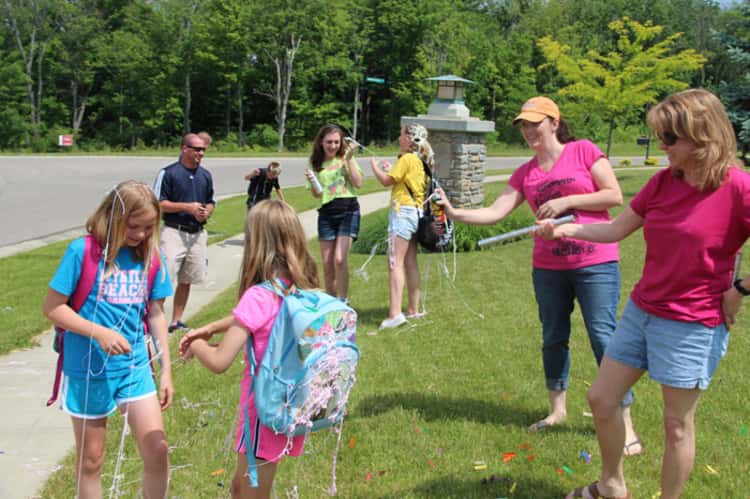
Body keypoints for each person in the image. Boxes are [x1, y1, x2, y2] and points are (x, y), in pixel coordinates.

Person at [535, 88, 750, 499]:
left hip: (692, 323)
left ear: (701, 135)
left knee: (676, 425)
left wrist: (739, 290)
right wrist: (567, 227)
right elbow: (616, 229)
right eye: (659, 138)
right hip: (642, 310)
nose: (662, 146)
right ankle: (612, 485)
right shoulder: (664, 182)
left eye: (669, 138)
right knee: (601, 399)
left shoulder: (737, 188)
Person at [435, 96, 640, 445]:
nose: (529, 130)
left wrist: (568, 201)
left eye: (536, 123)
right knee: (553, 337)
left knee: (603, 336)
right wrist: (454, 213)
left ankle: (626, 425)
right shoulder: (525, 173)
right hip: (549, 267)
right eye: (524, 125)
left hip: (595, 260)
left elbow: (613, 195)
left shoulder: (584, 151)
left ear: (554, 123)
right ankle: (557, 411)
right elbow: (496, 211)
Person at [179, 200, 319, 499]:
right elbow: (260, 317)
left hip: (263, 411)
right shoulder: (299, 289)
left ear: (257, 244)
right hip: (287, 402)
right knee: (240, 487)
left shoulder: (258, 295)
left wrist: (197, 344)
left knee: (253, 493)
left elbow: (219, 361)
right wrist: (214, 326)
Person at [43, 180, 173, 498]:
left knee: (157, 449)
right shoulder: (83, 252)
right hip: (88, 370)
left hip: (134, 368)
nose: (140, 235)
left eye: (147, 227)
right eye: (133, 226)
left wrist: (166, 368)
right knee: (91, 459)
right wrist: (99, 332)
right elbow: (53, 308)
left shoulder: (150, 257)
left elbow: (155, 313)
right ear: (113, 217)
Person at [153, 132, 216, 333]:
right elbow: (158, 204)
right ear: (185, 149)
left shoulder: (205, 175)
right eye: (197, 149)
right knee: (164, 278)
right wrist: (186, 207)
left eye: (203, 149)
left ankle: (176, 321)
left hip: (197, 234)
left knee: (187, 279)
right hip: (173, 232)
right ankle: (155, 320)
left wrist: (206, 212)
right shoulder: (169, 173)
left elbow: (211, 201)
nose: (201, 153)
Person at [370, 123, 431, 329]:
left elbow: (386, 181)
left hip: (402, 213)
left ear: (410, 138)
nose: (399, 138)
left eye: (402, 135)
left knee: (394, 262)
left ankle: (395, 314)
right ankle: (413, 310)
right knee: (410, 261)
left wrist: (375, 168)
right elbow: (400, 178)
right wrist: (390, 169)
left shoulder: (406, 158)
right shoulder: (418, 161)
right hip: (416, 213)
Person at [304, 124, 363, 303]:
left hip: (348, 211)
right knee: (328, 264)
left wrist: (350, 158)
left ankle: (343, 300)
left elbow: (358, 183)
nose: (333, 146)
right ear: (321, 142)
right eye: (329, 142)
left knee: (339, 259)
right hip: (327, 214)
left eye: (336, 142)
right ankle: (331, 303)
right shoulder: (315, 162)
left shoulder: (346, 158)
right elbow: (317, 194)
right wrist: (313, 181)